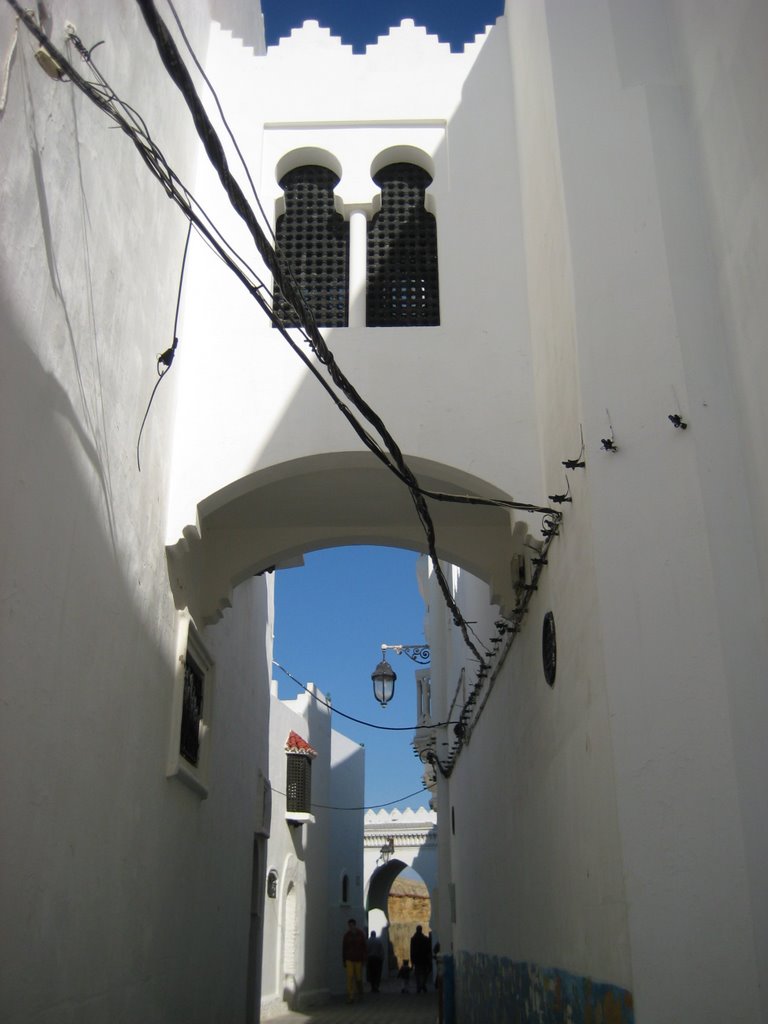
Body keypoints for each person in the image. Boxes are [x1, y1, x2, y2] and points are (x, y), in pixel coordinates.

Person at [341, 918, 367, 1003]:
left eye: (352, 925)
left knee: (358, 977)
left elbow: (364, 947)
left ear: (355, 925)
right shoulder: (347, 936)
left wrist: (364, 958)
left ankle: (360, 993)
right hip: (349, 958)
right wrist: (344, 959)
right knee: (350, 977)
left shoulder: (360, 934)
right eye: (350, 925)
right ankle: (351, 996)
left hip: (358, 958)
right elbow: (344, 948)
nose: (351, 927)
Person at [410, 924, 432, 994]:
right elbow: (429, 949)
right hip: (424, 959)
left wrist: (412, 961)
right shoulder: (425, 939)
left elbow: (412, 951)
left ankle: (419, 986)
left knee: (417, 974)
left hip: (417, 959)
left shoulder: (413, 939)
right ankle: (423, 984)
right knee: (425, 973)